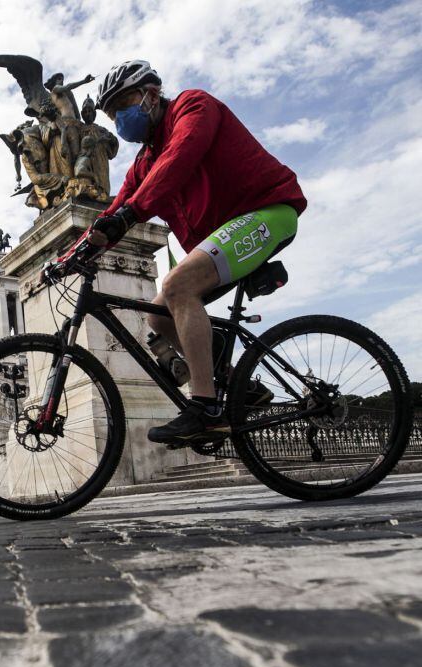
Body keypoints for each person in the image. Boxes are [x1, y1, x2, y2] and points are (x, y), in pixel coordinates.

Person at [68, 60, 307, 443]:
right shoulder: (144, 161)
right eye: (112, 115)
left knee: (177, 285)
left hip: (267, 212)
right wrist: (69, 257)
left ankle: (206, 407)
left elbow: (178, 160)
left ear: (150, 94)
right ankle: (237, 386)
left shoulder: (193, 107)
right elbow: (113, 212)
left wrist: (130, 214)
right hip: (220, 240)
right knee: (159, 318)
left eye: (123, 105)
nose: (119, 119)